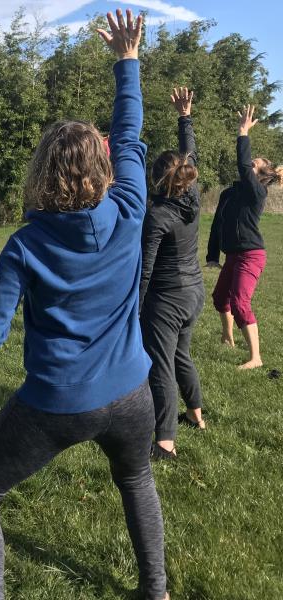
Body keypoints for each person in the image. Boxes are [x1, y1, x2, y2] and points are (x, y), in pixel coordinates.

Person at [0, 11, 169, 600]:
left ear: (43, 171)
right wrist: (127, 62)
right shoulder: (132, 204)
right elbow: (131, 130)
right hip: (135, 393)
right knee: (136, 479)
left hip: (58, 401)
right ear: (105, 167)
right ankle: (156, 590)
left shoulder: (26, 244)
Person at [139, 87, 206, 460]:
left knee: (161, 365)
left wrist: (135, 309)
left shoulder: (157, 216)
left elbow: (145, 271)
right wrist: (185, 117)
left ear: (156, 180)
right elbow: (190, 154)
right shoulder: (192, 199)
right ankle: (196, 414)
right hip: (193, 292)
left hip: (166, 300)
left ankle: (165, 442)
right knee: (182, 355)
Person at [206, 105, 283, 369]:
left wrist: (243, 132)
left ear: (259, 176)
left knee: (240, 302)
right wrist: (212, 255)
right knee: (219, 299)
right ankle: (228, 338)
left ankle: (256, 358)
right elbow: (218, 223)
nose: (248, 167)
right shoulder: (229, 193)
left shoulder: (256, 194)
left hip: (251, 255)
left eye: (253, 165)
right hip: (232, 255)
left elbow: (242, 162)